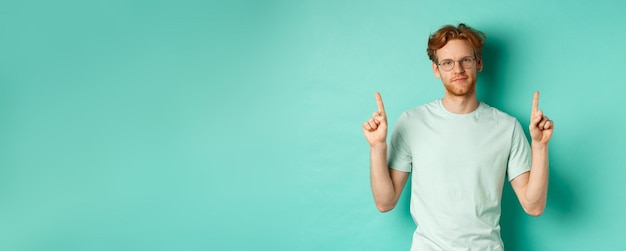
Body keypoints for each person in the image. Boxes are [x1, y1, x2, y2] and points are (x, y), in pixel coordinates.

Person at [362, 23, 553, 250]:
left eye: (465, 60)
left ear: (478, 63)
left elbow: (534, 206)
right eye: (447, 63)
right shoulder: (411, 122)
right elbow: (385, 202)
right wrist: (377, 147)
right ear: (436, 70)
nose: (458, 70)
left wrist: (540, 146)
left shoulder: (507, 127)